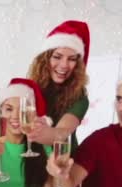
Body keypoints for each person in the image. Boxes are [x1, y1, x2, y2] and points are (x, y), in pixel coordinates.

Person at [0, 78, 57, 187]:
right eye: (9, 109)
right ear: (0, 113)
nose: (16, 116)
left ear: (32, 114)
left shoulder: (43, 148)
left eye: (23, 110)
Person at [27, 20, 90, 151]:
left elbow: (61, 133)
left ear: (78, 64)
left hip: (64, 160)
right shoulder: (29, 89)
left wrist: (35, 131)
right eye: (57, 57)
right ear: (45, 59)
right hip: (32, 162)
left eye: (72, 59)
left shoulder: (80, 97)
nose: (64, 65)